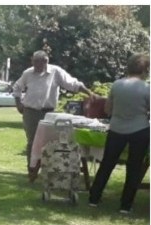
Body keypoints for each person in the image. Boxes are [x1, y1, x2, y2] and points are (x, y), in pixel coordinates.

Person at [12, 50, 95, 180]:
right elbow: (17, 87)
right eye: (33, 62)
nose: (35, 66)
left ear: (45, 62)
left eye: (38, 63)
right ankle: (32, 169)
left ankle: (48, 169)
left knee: (50, 142)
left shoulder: (55, 72)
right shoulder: (28, 73)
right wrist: (18, 103)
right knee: (32, 141)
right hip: (31, 111)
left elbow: (72, 84)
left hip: (49, 112)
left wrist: (89, 93)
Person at [88, 53, 150, 214]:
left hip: (116, 128)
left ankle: (94, 198)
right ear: (144, 70)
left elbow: (108, 109)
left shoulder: (117, 85)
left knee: (107, 163)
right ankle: (125, 205)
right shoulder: (147, 88)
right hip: (139, 129)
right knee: (134, 167)